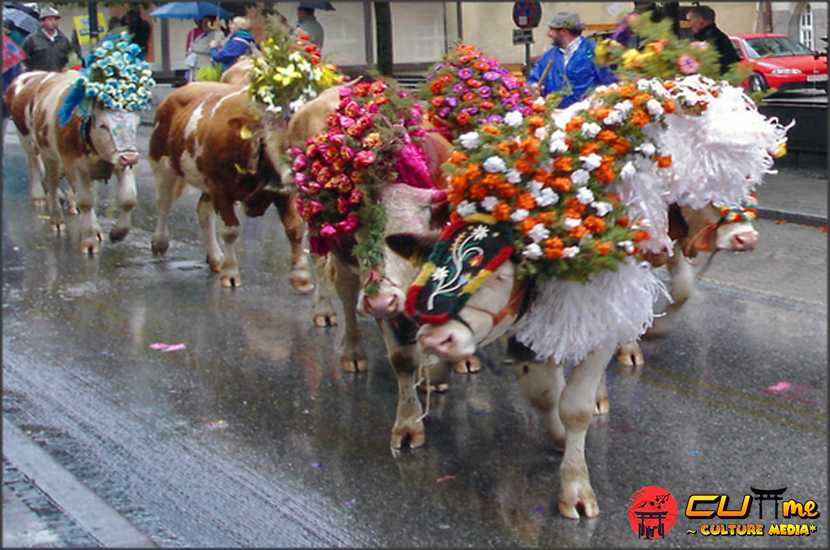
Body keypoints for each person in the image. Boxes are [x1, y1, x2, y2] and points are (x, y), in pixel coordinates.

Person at [528, 12, 616, 108]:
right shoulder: (548, 56)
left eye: (551, 30)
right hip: (556, 115)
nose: (548, 34)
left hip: (586, 116)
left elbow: (610, 84)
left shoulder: (593, 51)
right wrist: (533, 86)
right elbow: (533, 80)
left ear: (564, 31)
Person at [21, 6, 81, 72]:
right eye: (50, 19)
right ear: (42, 22)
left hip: (59, 76)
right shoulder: (32, 39)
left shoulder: (63, 39)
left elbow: (71, 59)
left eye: (55, 19)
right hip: (39, 77)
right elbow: (23, 58)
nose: (53, 22)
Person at [687, 5, 740, 75]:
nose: (690, 24)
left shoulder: (710, 39)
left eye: (691, 20)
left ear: (700, 19)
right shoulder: (719, 36)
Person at [187, 16, 226, 81]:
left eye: (206, 22)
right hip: (197, 64)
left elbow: (212, 46)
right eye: (203, 22)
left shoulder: (216, 34)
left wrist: (194, 47)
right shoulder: (202, 34)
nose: (204, 25)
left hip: (206, 63)